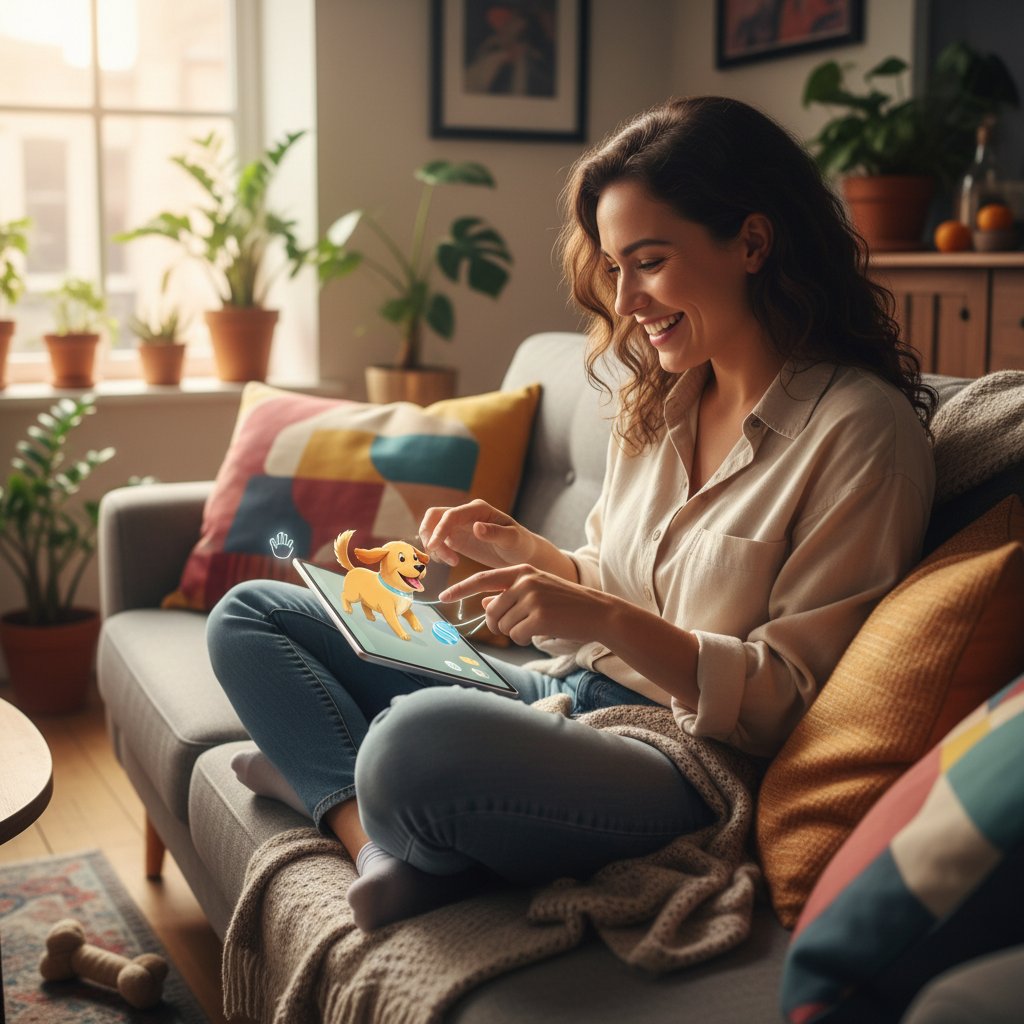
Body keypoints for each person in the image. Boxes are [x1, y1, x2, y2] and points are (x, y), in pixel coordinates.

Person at [206, 96, 936, 934]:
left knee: (415, 745)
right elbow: (612, 585)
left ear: (753, 243)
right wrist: (531, 557)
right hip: (559, 695)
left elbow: (789, 703)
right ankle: (367, 832)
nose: (625, 301)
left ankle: (327, 767)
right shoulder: (658, 399)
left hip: (681, 763)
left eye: (649, 262)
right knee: (254, 614)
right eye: (615, 267)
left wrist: (591, 611)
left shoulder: (859, 433)